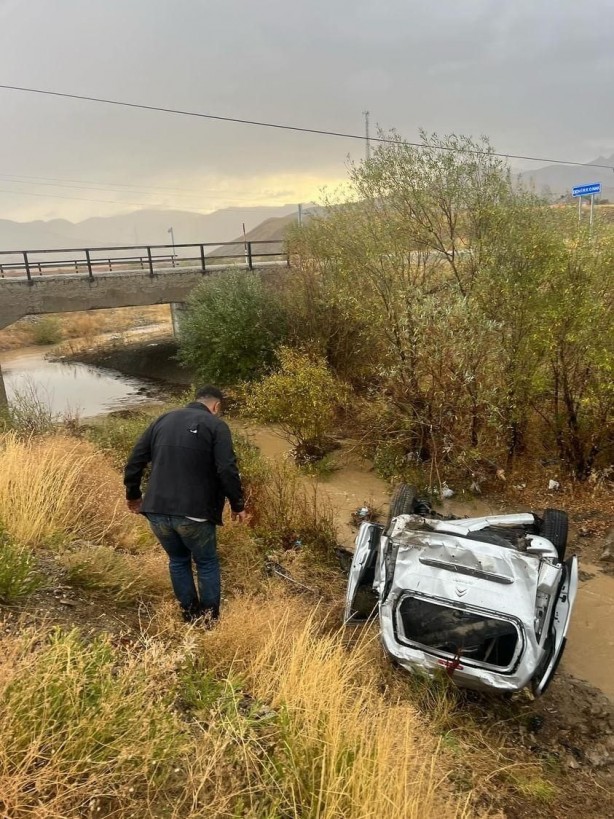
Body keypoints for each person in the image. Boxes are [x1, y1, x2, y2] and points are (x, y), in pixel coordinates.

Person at [124, 385, 247, 623]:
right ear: (216, 406)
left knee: (178, 561)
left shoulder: (163, 419)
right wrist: (237, 504)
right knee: (206, 563)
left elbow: (134, 461)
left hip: (156, 510)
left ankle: (190, 616)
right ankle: (209, 621)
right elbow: (227, 469)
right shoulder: (216, 425)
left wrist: (133, 495)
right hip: (195, 513)